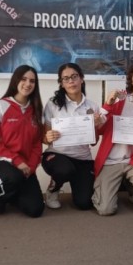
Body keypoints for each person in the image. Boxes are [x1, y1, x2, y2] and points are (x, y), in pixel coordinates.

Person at [92, 61, 133, 216]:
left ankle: (131, 187)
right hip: (111, 161)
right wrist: (107, 105)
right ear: (131, 79)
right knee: (105, 210)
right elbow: (99, 128)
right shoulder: (119, 101)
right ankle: (101, 189)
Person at [0, 65, 45, 217]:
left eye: (32, 81)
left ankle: (14, 193)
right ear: (16, 80)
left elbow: (37, 144)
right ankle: (0, 200)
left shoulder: (36, 110)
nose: (28, 84)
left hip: (25, 166)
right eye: (23, 79)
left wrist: (30, 166)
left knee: (35, 210)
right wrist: (17, 161)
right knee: (13, 178)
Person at [42, 63, 101, 210]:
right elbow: (43, 138)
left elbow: (94, 143)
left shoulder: (92, 107)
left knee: (84, 203)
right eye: (66, 78)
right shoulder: (53, 104)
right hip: (57, 155)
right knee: (64, 170)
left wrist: (95, 126)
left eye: (74, 77)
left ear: (82, 79)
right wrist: (48, 137)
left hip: (83, 158)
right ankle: (53, 190)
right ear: (61, 83)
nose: (71, 81)